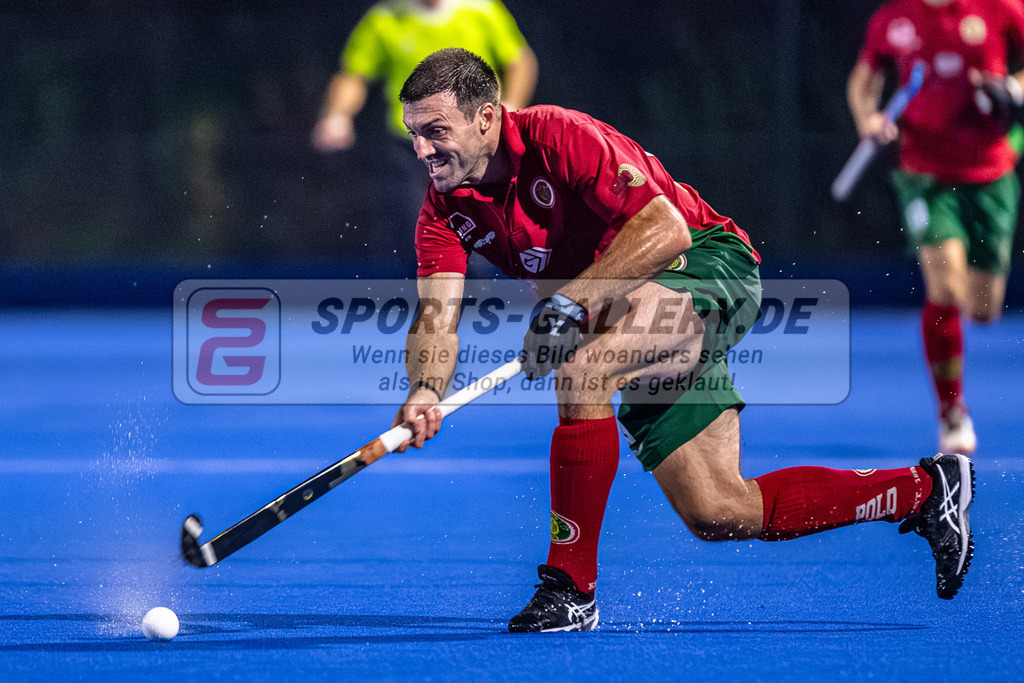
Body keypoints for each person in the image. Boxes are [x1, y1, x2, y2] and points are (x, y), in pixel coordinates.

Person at [392, 48, 975, 633]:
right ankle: (925, 491)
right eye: (414, 134)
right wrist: (424, 390)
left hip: (705, 265)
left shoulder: (559, 137)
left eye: (436, 131)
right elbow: (436, 318)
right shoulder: (442, 212)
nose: (422, 150)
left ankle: (571, 589)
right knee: (718, 510)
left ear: (486, 118)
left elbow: (665, 230)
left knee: (584, 369)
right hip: (628, 310)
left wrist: (570, 305)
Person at [846, 0, 1024, 455]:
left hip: (991, 176)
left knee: (982, 309)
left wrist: (1014, 88)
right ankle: (952, 413)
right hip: (925, 177)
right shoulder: (893, 18)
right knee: (944, 290)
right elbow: (865, 79)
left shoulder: (1001, 8)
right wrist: (867, 117)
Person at [311, 0, 536, 153]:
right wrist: (337, 114)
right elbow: (354, 75)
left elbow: (519, 61)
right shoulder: (385, 18)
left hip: (475, 137)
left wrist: (512, 106)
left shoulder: (482, 10)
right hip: (411, 143)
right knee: (412, 210)